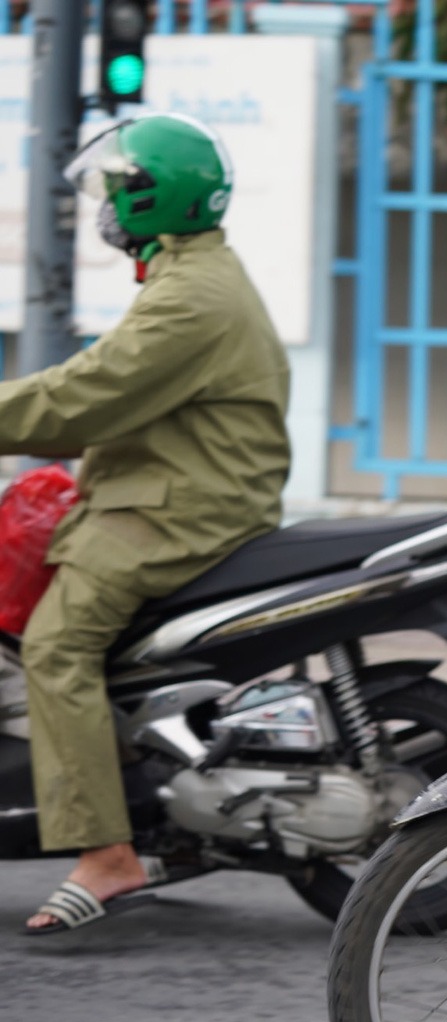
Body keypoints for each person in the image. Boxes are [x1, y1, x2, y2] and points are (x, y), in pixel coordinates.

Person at [2, 114, 290, 933]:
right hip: (168, 486)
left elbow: (80, 397)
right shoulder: (188, 276)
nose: (105, 205)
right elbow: (102, 401)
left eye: (117, 190)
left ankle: (106, 852)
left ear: (153, 199)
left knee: (56, 644)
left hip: (179, 508)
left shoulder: (189, 297)